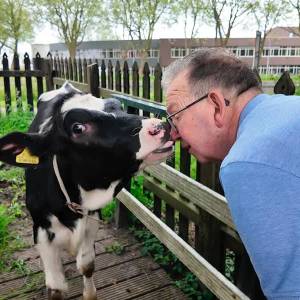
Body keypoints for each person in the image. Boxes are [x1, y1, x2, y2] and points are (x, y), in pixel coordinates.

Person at [162, 48, 300, 300]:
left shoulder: (248, 161)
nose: (173, 134)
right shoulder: (289, 108)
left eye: (175, 117)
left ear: (215, 105)